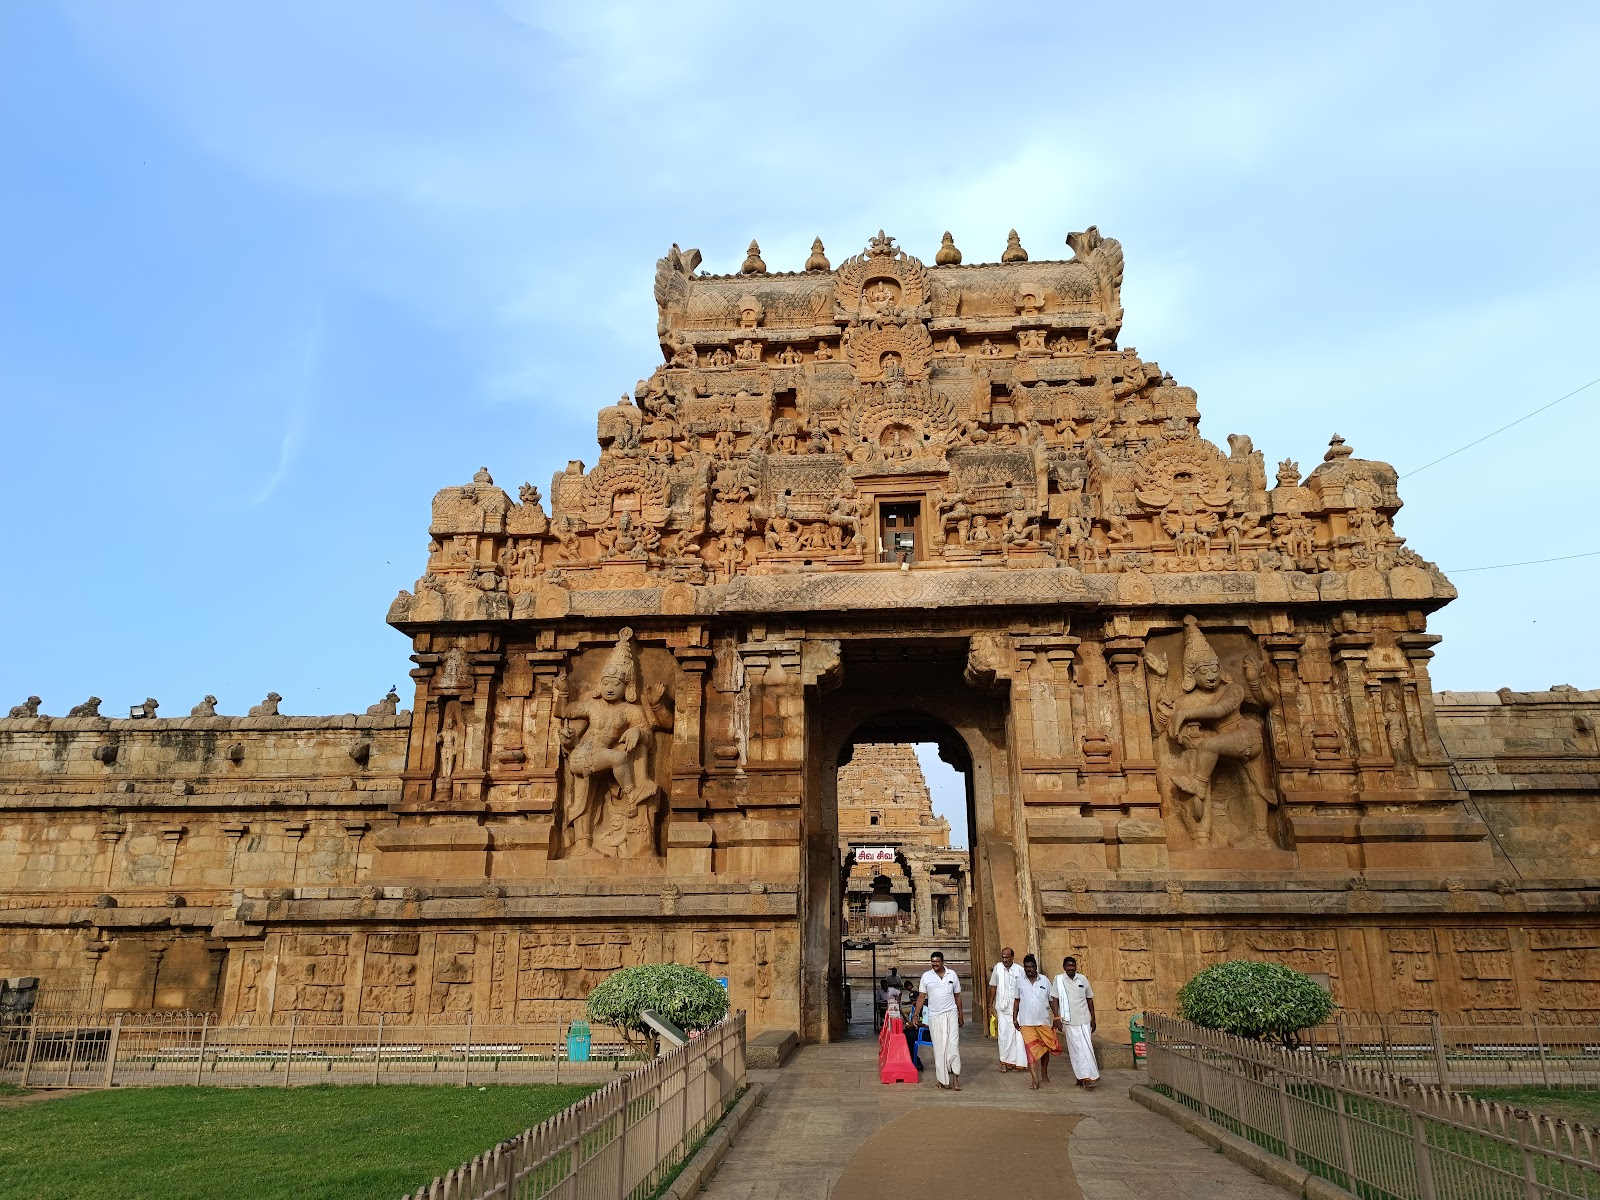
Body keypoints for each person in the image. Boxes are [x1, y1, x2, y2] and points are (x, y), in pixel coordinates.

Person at [912, 951, 963, 1090]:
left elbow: (957, 996)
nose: (934, 964)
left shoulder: (952, 974)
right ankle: (941, 1079)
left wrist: (961, 1015)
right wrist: (915, 1015)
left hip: (951, 1013)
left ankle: (955, 1078)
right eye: (932, 962)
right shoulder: (926, 976)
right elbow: (921, 997)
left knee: (953, 1045)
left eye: (937, 962)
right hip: (934, 1015)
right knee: (939, 1048)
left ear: (942, 962)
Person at [1011, 953, 1060, 1090]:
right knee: (1030, 1051)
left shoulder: (1044, 981)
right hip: (1026, 1022)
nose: (1029, 969)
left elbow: (1051, 1000)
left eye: (1031, 967)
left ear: (1036, 967)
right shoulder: (1020, 981)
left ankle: (1044, 1072)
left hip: (1043, 1021)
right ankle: (1035, 1079)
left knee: (1044, 1049)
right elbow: (1016, 1000)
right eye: (1026, 967)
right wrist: (1014, 1018)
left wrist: (1056, 1017)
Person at [1054, 955, 1099, 1088]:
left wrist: (1093, 1018)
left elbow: (1089, 999)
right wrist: (1057, 1017)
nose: (1070, 968)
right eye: (1068, 966)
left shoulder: (1083, 979)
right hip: (1069, 1021)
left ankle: (1087, 1077)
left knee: (1086, 1048)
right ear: (1064, 967)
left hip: (1084, 1019)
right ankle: (1081, 1076)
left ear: (1075, 967)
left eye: (1072, 966)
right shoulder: (1059, 980)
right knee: (1076, 1050)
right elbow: (1054, 999)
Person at [988, 947, 1028, 1072]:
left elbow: (1024, 990)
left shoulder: (1020, 970)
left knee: (1017, 1036)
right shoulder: (997, 968)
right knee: (1004, 1035)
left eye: (1007, 957)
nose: (1004, 959)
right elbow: (993, 987)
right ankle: (1004, 1061)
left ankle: (1017, 1062)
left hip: (1017, 1009)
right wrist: (990, 1004)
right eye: (1003, 957)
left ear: (1012, 957)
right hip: (1002, 1007)